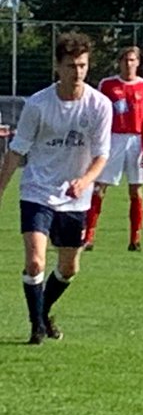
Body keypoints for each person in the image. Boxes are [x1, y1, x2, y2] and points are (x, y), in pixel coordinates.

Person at [0, 32, 112, 344]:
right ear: (57, 67)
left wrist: (85, 180)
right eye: (71, 65)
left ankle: (43, 311)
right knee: (36, 261)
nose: (77, 72)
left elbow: (102, 155)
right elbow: (16, 151)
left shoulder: (99, 105)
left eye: (83, 65)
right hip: (37, 190)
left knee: (69, 268)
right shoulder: (38, 104)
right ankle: (36, 327)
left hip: (75, 199)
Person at [84, 46, 143, 252]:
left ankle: (135, 239)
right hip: (113, 139)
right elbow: (98, 115)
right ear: (119, 62)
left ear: (138, 62)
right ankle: (88, 236)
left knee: (136, 189)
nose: (129, 64)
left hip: (135, 141)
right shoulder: (107, 85)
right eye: (125, 60)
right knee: (100, 186)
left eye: (132, 60)